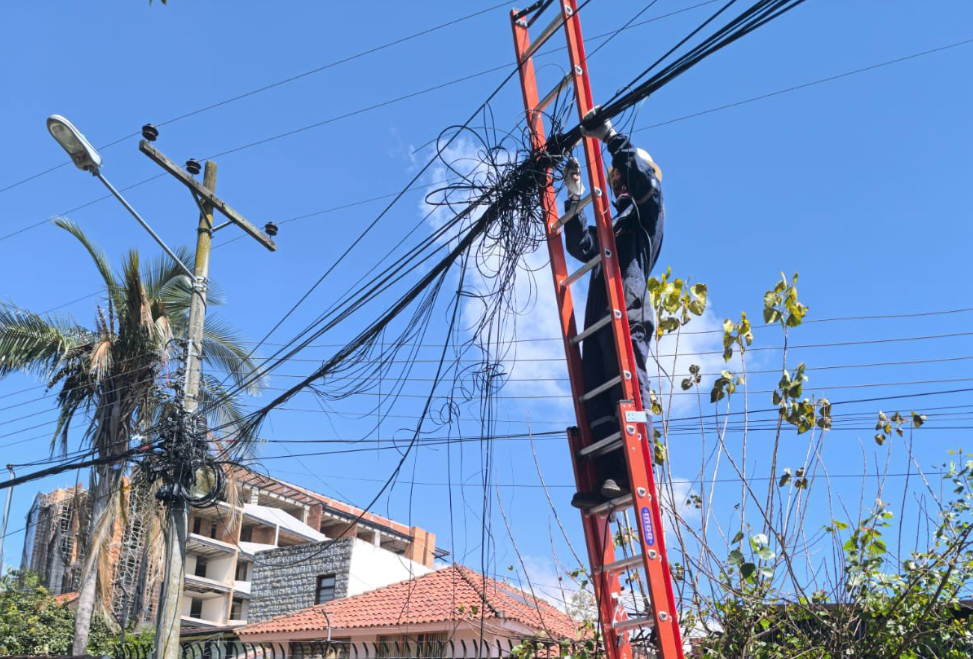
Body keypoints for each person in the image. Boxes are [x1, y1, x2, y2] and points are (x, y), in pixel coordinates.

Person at [563, 107, 665, 509]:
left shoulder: (646, 217)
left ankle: (635, 467)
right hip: (600, 312)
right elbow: (580, 246)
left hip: (629, 307)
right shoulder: (613, 225)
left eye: (622, 180)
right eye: (615, 182)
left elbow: (642, 182)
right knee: (596, 387)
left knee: (626, 383)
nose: (619, 186)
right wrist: (574, 197)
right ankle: (606, 473)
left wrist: (609, 136)